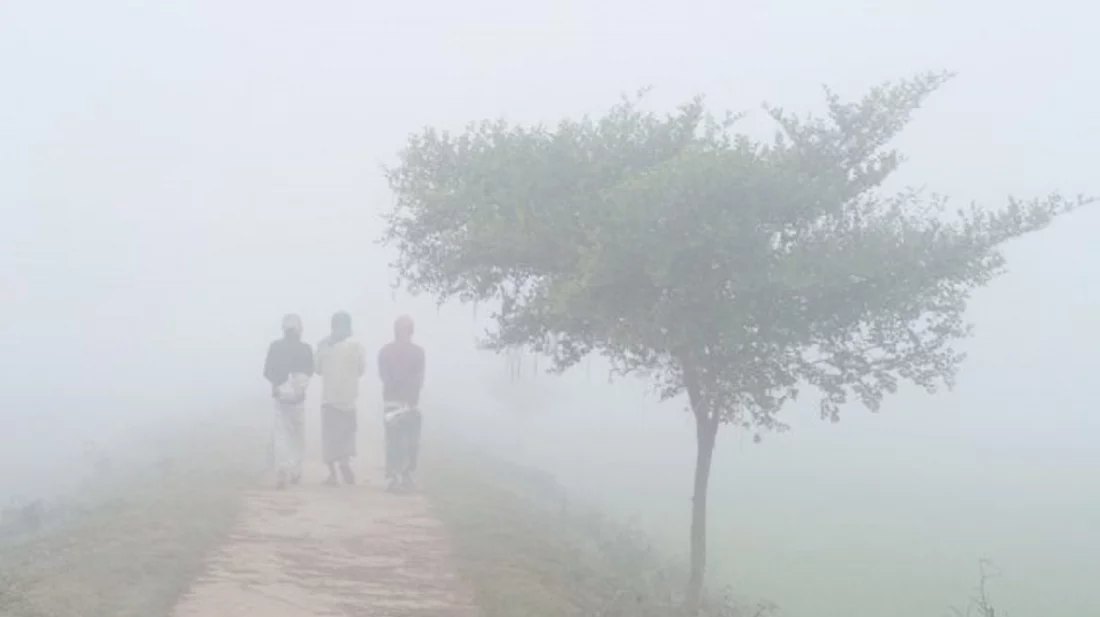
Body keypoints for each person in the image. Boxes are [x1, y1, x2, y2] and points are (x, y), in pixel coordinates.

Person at [263, 314, 314, 489]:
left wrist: (278, 385)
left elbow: (267, 371)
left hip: (280, 398)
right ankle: (295, 470)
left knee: (281, 434)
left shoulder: (276, 347)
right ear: (299, 330)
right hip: (298, 399)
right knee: (297, 435)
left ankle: (282, 469)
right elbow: (310, 370)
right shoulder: (305, 349)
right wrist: (298, 386)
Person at [315, 311, 366, 486]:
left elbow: (317, 369)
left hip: (329, 399)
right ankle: (344, 462)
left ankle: (332, 473)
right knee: (346, 434)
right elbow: (361, 369)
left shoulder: (323, 345)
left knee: (329, 438)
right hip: (349, 398)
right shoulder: (356, 346)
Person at [378, 315, 426, 491]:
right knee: (395, 441)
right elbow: (385, 376)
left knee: (409, 442)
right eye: (400, 330)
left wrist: (410, 393)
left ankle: (405, 475)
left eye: (405, 330)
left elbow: (419, 377)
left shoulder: (416, 353)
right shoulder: (387, 352)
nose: (402, 334)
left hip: (408, 402)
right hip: (394, 402)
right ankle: (395, 476)